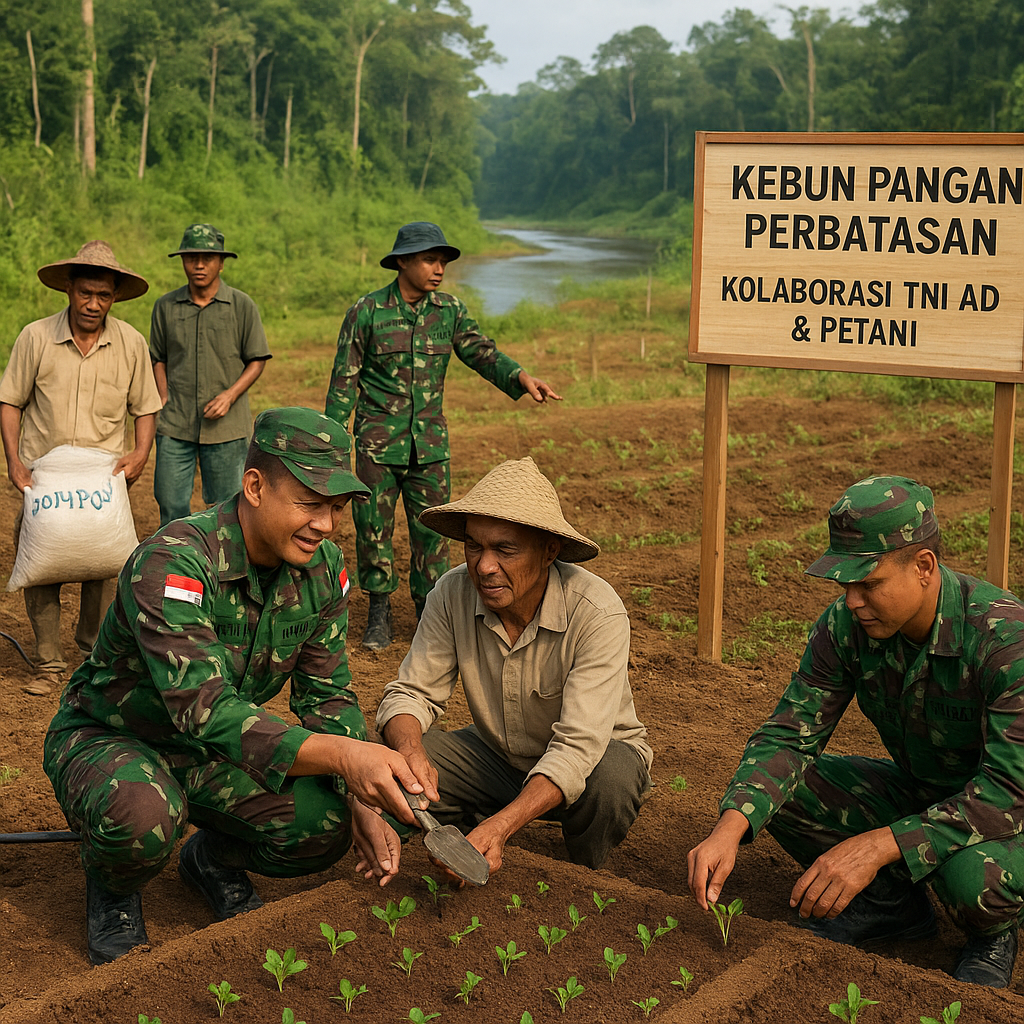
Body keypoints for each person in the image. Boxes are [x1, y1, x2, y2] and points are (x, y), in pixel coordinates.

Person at [42, 407, 427, 966]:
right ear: (254, 487)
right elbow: (204, 709)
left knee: (324, 826)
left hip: (211, 752)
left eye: (336, 508)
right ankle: (115, 886)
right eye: (310, 504)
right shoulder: (174, 563)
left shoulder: (324, 570)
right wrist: (346, 758)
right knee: (142, 818)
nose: (326, 524)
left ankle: (211, 858)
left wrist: (357, 792)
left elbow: (328, 694)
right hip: (112, 738)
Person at [687, 476, 1024, 988]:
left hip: (1006, 815)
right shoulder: (846, 628)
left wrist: (882, 844)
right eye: (844, 584)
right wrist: (728, 830)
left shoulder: (1004, 640)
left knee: (974, 882)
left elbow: (1007, 793)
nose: (851, 601)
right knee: (778, 792)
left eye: (868, 583)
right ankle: (891, 908)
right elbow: (789, 736)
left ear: (924, 567)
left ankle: (993, 935)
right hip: (928, 791)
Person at [376, 456, 652, 880]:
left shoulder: (596, 611)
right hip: (497, 756)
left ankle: (583, 876)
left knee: (612, 777)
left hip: (592, 759)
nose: (484, 566)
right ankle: (409, 841)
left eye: (505, 549)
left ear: (549, 551)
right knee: (386, 760)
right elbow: (411, 693)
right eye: (474, 546)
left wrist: (502, 827)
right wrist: (410, 751)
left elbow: (578, 748)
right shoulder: (452, 592)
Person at [325, 221, 561, 652]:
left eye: (443, 261)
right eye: (430, 260)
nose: (439, 268)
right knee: (372, 529)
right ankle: (378, 611)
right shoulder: (368, 312)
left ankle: (428, 613)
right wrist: (332, 446)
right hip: (377, 446)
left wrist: (521, 376)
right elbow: (344, 381)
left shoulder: (448, 310)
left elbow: (480, 351)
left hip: (429, 447)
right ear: (403, 262)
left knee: (432, 534)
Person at [0, 240, 162, 697]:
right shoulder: (35, 337)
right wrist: (14, 460)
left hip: (102, 477)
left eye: (103, 295)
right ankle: (49, 664)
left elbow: (145, 407)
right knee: (40, 563)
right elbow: (10, 401)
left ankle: (94, 657)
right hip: (44, 476)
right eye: (85, 293)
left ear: (114, 297)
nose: (93, 304)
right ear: (68, 289)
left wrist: (140, 452)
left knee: (103, 567)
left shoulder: (131, 342)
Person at [150, 223, 271, 526]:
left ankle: (222, 570)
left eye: (207, 258)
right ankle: (175, 565)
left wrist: (230, 396)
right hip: (175, 423)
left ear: (221, 262)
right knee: (170, 501)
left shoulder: (241, 305)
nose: (199, 265)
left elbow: (256, 359)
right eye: (192, 258)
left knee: (228, 505)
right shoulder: (166, 306)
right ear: (183, 261)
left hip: (227, 427)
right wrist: (163, 396)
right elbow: (158, 358)